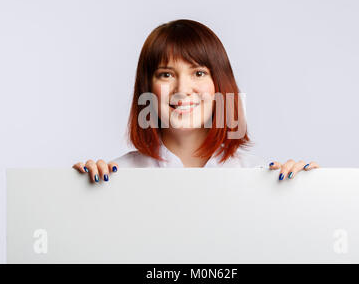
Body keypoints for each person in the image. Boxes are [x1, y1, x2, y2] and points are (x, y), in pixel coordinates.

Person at [72, 19, 319, 183]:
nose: (182, 89)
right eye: (166, 74)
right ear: (147, 88)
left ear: (219, 85)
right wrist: (79, 197)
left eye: (198, 73)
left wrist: (311, 193)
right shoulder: (119, 177)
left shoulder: (258, 178)